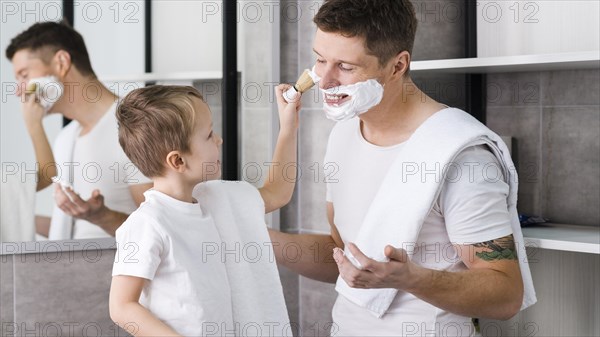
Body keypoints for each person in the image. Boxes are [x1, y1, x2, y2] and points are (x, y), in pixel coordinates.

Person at [268, 1, 535, 336]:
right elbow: (343, 255)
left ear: (397, 66)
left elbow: (506, 294)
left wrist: (410, 279)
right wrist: (262, 240)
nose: (324, 81)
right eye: (320, 59)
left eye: (346, 67)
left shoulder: (461, 155)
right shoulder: (343, 134)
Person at [109, 85, 300, 336]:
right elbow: (122, 307)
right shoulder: (148, 223)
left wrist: (288, 127)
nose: (219, 139)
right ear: (178, 161)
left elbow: (278, 193)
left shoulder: (216, 200)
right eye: (209, 135)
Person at [6, 21, 153, 239]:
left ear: (62, 62)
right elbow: (74, 230)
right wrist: (14, 214)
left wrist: (101, 216)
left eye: (25, 75)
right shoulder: (66, 139)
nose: (20, 91)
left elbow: (159, 228)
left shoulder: (137, 124)